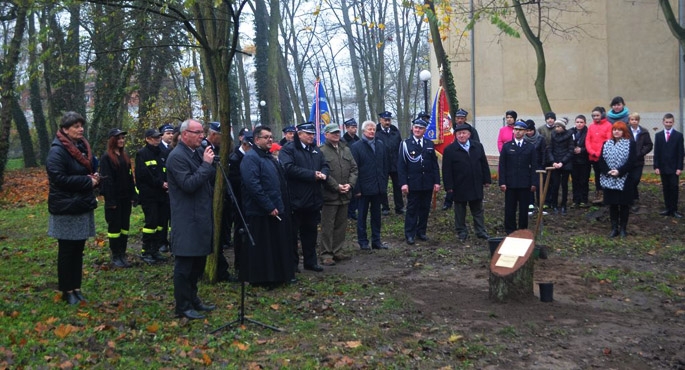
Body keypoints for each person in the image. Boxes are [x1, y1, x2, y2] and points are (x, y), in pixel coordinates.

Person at [166, 119, 217, 320]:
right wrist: (206, 165)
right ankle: (183, 305)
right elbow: (188, 184)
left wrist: (207, 164)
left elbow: (207, 178)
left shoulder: (195, 153)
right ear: (184, 134)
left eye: (202, 133)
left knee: (198, 262)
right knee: (185, 265)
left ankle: (193, 299)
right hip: (186, 218)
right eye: (197, 133)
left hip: (200, 215)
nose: (202, 136)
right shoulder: (176, 157)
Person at [47, 112, 100, 305]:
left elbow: (85, 170)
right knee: (67, 250)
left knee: (78, 249)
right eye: (76, 126)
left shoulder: (81, 147)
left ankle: (76, 288)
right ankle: (66, 290)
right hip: (66, 206)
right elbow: (58, 179)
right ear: (65, 129)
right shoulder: (57, 151)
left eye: (81, 125)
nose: (81, 129)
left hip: (81, 204)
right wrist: (87, 181)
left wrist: (94, 176)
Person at [240, 126, 296, 286]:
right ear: (256, 140)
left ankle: (278, 276)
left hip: (276, 209)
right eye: (266, 137)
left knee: (275, 245)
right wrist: (268, 206)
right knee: (263, 248)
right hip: (260, 211)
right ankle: (263, 279)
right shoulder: (251, 158)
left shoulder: (269, 157)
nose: (270, 140)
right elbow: (253, 185)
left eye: (271, 137)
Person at [279, 122, 330, 272]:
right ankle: (293, 264)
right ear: (299, 134)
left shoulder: (315, 149)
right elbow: (288, 169)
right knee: (293, 235)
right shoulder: (288, 150)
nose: (311, 136)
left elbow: (325, 164)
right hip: (295, 199)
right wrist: (312, 175)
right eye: (308, 134)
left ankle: (310, 261)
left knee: (311, 233)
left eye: (313, 134)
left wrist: (324, 174)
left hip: (313, 199)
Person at [442, 124, 491, 242]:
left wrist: (487, 179)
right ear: (455, 135)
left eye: (464, 133)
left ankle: (480, 231)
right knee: (460, 210)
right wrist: (448, 186)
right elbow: (446, 170)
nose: (461, 135)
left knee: (477, 209)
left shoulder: (478, 146)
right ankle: (461, 231)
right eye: (459, 133)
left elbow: (484, 164)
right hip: (459, 185)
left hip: (475, 183)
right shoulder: (449, 150)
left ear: (469, 134)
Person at [319, 123, 358, 265]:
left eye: (337, 132)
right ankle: (326, 254)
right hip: (330, 196)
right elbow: (323, 173)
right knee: (327, 226)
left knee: (341, 225)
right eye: (333, 132)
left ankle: (337, 251)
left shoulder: (346, 149)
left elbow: (354, 169)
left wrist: (350, 184)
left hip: (345, 195)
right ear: (326, 135)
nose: (336, 134)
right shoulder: (321, 151)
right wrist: (336, 186)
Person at [397, 118, 440, 245]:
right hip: (413, 183)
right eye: (416, 127)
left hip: (427, 182)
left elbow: (434, 165)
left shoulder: (429, 144)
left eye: (420, 128)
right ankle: (410, 234)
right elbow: (401, 166)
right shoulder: (405, 144)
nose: (417, 130)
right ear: (412, 128)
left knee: (424, 208)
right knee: (412, 209)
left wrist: (437, 182)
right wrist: (403, 183)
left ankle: (421, 232)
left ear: (424, 130)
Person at [100, 128, 137, 268]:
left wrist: (134, 194)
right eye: (118, 138)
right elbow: (106, 181)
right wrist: (110, 201)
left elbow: (129, 177)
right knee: (114, 228)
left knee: (124, 227)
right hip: (114, 200)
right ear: (112, 140)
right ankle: (115, 255)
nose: (121, 140)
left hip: (125, 199)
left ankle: (122, 253)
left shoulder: (124, 157)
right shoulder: (106, 158)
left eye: (122, 138)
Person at [351, 120, 390, 250]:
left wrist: (383, 184)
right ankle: (363, 241)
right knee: (361, 216)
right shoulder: (356, 147)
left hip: (378, 187)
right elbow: (354, 170)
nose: (372, 131)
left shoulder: (380, 145)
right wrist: (356, 189)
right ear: (363, 131)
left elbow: (385, 166)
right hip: (363, 189)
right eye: (369, 129)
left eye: (373, 129)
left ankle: (376, 241)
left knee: (376, 216)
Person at [134, 129, 169, 264]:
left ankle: (155, 250)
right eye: (155, 138)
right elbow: (144, 175)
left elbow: (165, 171)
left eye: (159, 137)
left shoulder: (162, 153)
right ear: (147, 139)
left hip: (162, 195)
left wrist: (166, 183)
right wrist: (161, 183)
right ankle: (146, 251)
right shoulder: (142, 154)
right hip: (149, 196)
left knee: (160, 224)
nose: (158, 139)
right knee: (151, 223)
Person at [498, 120, 538, 234]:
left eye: (520, 130)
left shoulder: (530, 147)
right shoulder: (507, 146)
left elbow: (534, 165)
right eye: (516, 129)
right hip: (510, 183)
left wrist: (534, 183)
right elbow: (502, 165)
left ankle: (522, 229)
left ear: (525, 132)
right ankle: (510, 230)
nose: (518, 132)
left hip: (525, 183)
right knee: (510, 208)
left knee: (523, 209)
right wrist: (502, 182)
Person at [599, 121, 636, 237]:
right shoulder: (606, 143)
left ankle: (623, 229)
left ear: (624, 131)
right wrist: (608, 171)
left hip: (625, 178)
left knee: (624, 205)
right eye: (614, 129)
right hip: (609, 178)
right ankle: (614, 228)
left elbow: (632, 161)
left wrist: (619, 171)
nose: (616, 131)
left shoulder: (630, 143)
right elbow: (601, 160)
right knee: (613, 204)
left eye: (619, 130)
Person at [227, 130, 253, 276]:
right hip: (239, 201)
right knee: (240, 232)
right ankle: (240, 264)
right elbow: (234, 181)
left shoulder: (250, 156)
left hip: (250, 201)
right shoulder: (235, 158)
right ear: (244, 144)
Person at [653, 113, 684, 218]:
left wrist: (679, 167)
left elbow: (680, 153)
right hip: (663, 167)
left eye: (670, 122)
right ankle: (667, 208)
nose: (668, 124)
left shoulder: (678, 136)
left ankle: (674, 209)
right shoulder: (659, 135)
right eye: (666, 122)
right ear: (663, 122)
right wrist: (656, 166)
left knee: (674, 187)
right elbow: (656, 152)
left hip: (674, 167)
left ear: (673, 122)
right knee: (666, 187)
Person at [376, 111, 404, 215]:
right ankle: (385, 207)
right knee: (383, 186)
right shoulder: (376, 133)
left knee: (398, 186)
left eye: (389, 120)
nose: (387, 122)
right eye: (385, 120)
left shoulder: (395, 132)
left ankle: (399, 207)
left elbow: (400, 146)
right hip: (383, 164)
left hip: (395, 163)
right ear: (381, 120)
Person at [626, 112, 653, 213]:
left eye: (636, 120)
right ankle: (632, 200)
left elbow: (649, 145)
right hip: (628, 160)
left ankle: (633, 197)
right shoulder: (625, 131)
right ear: (629, 121)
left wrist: (641, 152)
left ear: (638, 121)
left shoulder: (644, 132)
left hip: (639, 161)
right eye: (632, 119)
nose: (634, 121)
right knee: (629, 180)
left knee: (636, 179)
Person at [547, 117, 574, 215]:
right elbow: (550, 149)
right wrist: (553, 161)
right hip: (555, 164)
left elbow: (571, 151)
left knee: (564, 185)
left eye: (558, 126)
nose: (556, 128)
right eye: (555, 126)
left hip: (565, 164)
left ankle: (564, 205)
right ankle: (554, 205)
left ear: (563, 127)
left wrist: (562, 162)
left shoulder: (569, 135)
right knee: (555, 185)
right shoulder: (553, 135)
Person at [585, 106, 612, 204]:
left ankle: (606, 195)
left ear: (602, 115)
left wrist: (599, 153)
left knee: (604, 174)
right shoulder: (591, 126)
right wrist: (591, 151)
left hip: (603, 156)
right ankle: (598, 193)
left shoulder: (608, 125)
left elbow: (608, 140)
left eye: (597, 115)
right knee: (597, 175)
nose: (595, 117)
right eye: (594, 116)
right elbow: (588, 140)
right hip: (593, 156)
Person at [523, 119, 546, 214]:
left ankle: (541, 205)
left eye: (530, 130)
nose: (529, 133)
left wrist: (543, 165)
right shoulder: (523, 139)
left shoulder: (540, 138)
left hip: (539, 166)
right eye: (527, 131)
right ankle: (530, 205)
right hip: (527, 166)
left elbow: (544, 152)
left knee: (540, 186)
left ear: (534, 129)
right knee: (529, 186)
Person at [570, 115, 590, 208]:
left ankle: (584, 200)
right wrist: (573, 149)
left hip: (585, 160)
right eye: (577, 122)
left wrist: (582, 150)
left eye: (581, 122)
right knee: (575, 181)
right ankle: (575, 200)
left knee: (584, 181)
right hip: (574, 161)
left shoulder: (588, 132)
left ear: (585, 123)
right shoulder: (571, 132)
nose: (579, 124)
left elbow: (590, 145)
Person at [342, 118, 360, 220]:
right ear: (347, 128)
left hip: (357, 167)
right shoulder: (343, 141)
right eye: (352, 127)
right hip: (347, 167)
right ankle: (348, 212)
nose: (355, 129)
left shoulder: (358, 140)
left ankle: (353, 211)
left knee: (356, 190)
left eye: (355, 127)